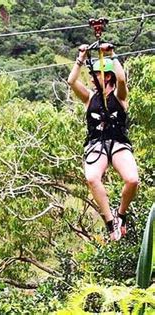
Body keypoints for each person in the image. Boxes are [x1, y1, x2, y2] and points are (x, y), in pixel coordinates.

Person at [67, 43, 139, 241]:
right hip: (97, 143)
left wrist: (112, 55)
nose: (91, 78)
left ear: (107, 76)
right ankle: (109, 221)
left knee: (132, 180)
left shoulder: (119, 97)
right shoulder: (90, 98)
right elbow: (72, 81)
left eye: (95, 74)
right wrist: (81, 57)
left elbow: (122, 79)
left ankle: (121, 215)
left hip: (117, 143)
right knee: (92, 177)